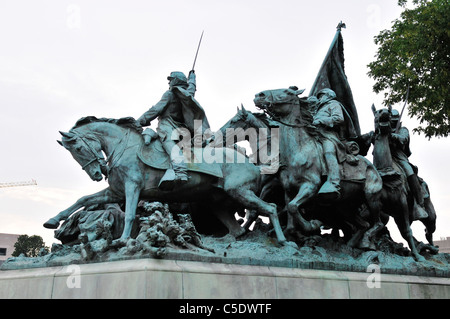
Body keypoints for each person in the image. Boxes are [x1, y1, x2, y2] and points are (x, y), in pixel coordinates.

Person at [137, 70, 210, 189]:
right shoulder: (186, 94)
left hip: (168, 128)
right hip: (182, 130)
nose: (169, 83)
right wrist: (192, 79)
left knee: (171, 148)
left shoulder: (170, 94)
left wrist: (138, 122)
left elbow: (155, 110)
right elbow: (191, 89)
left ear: (175, 81)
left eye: (170, 80)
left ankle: (180, 173)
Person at [389, 109, 428, 215]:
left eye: (395, 120)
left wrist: (395, 136)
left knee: (409, 172)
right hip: (387, 157)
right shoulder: (385, 130)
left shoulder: (403, 129)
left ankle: (420, 204)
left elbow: (404, 138)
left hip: (399, 157)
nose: (393, 122)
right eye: (391, 120)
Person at [312, 88, 347, 200]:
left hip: (328, 135)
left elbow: (339, 118)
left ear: (328, 95)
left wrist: (321, 121)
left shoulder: (334, 104)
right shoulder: (317, 109)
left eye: (321, 96)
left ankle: (334, 182)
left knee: (328, 152)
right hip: (315, 135)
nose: (319, 99)